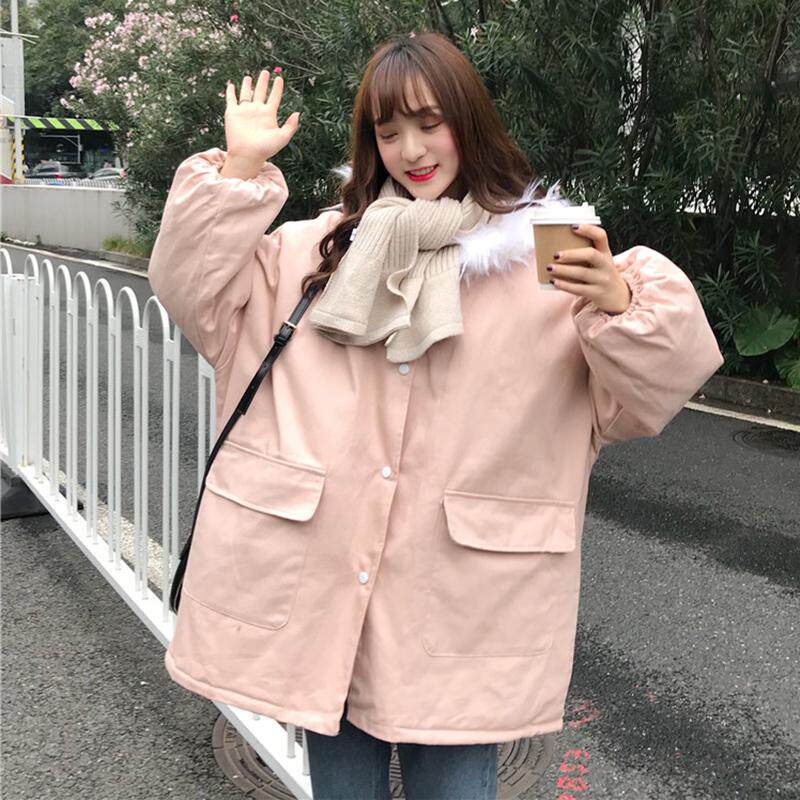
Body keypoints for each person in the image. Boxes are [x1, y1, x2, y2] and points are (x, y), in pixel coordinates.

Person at [148, 31, 724, 800]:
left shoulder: (546, 261)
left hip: (463, 607)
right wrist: (240, 170)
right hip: (328, 596)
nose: (412, 150)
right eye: (389, 131)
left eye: (430, 123)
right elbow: (195, 294)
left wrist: (622, 308)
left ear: (469, 122)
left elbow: (649, 398)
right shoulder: (315, 253)